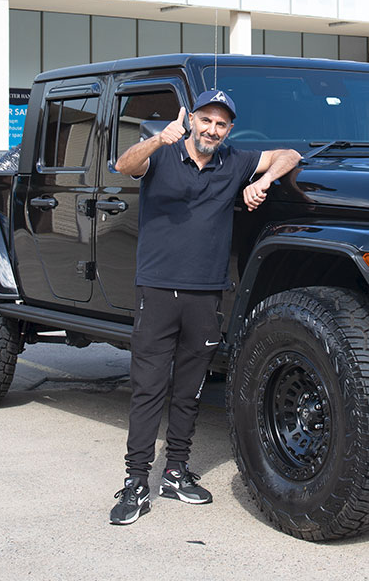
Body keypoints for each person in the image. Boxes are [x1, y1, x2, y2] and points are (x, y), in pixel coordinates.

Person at [109, 89, 301, 525]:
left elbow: (288, 154)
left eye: (222, 124)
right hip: (157, 290)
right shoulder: (163, 153)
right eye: (206, 120)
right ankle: (137, 482)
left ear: (228, 129)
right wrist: (159, 139)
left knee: (189, 391)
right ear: (191, 119)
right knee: (148, 389)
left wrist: (263, 181)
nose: (212, 129)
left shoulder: (232, 160)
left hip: (206, 292)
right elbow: (125, 166)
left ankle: (176, 471)